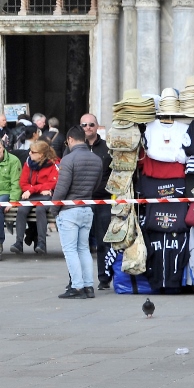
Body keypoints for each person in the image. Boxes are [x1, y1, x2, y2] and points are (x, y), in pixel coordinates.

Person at [52, 126, 103, 299]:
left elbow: (61, 188)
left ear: (71, 139)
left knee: (70, 250)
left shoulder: (68, 159)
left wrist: (54, 208)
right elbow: (96, 185)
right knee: (84, 249)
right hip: (87, 208)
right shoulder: (96, 159)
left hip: (69, 210)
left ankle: (77, 286)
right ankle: (89, 286)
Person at [70, 115, 113, 289]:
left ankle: (104, 279)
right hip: (81, 200)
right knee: (79, 242)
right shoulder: (72, 149)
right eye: (84, 125)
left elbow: (113, 173)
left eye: (91, 124)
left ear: (97, 126)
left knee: (104, 241)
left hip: (102, 199)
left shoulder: (106, 148)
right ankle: (77, 280)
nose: (88, 127)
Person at [11, 140, 59, 255]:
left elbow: (52, 183)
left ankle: (41, 243)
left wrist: (32, 189)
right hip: (32, 194)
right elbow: (23, 182)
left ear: (41, 155)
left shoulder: (53, 164)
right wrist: (34, 189)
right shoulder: (28, 163)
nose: (29, 154)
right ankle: (18, 243)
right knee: (21, 210)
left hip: (44, 195)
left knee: (40, 209)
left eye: (33, 152)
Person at [0, 138, 23, 260]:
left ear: (3, 147)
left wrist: (13, 201)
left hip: (6, 193)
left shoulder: (13, 161)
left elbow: (16, 183)